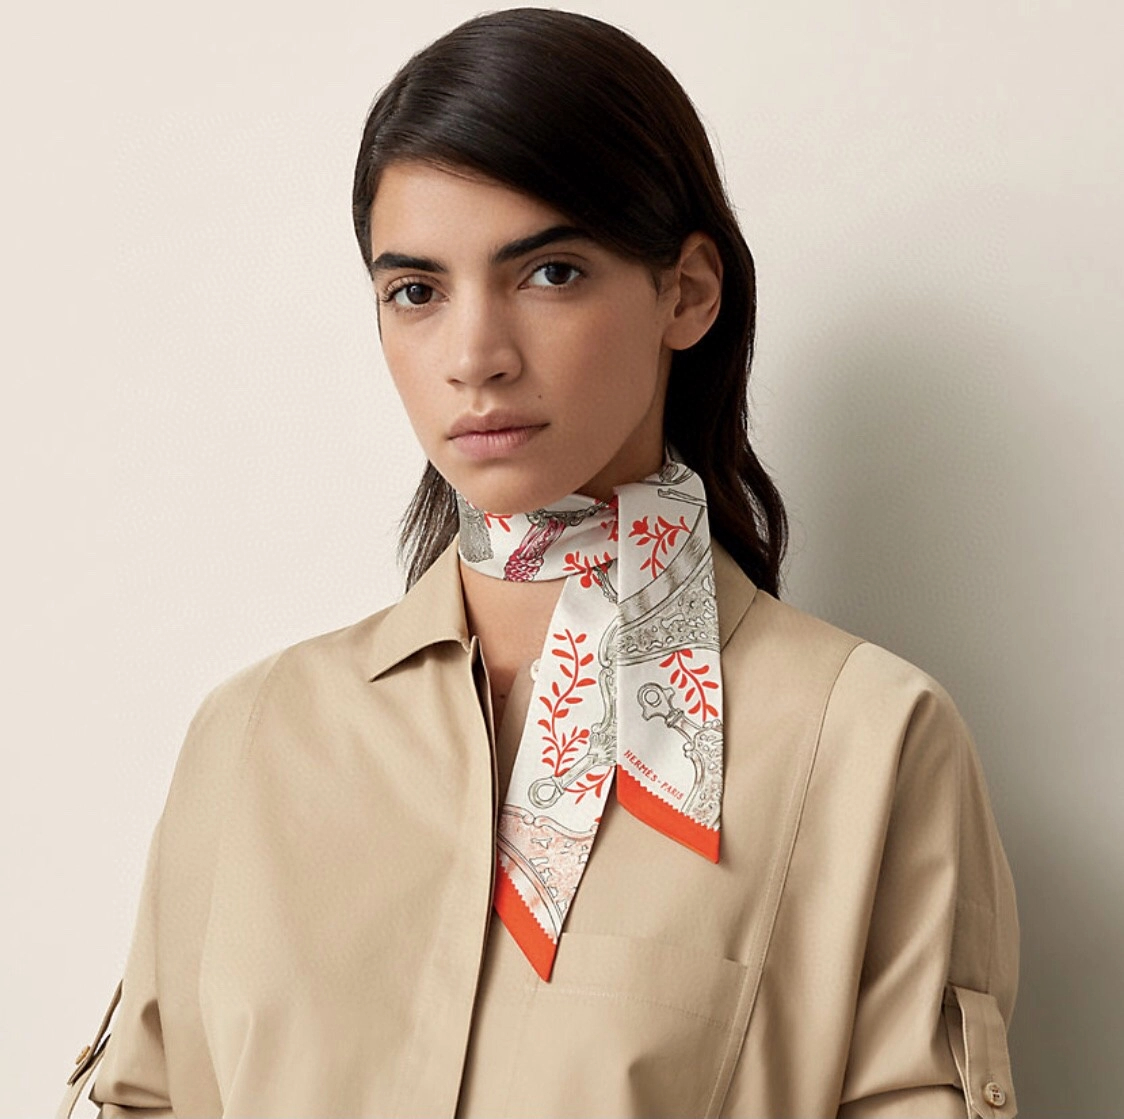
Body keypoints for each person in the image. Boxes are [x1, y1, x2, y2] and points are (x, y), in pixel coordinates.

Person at [58, 9, 1019, 1118]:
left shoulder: (867, 743)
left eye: (549, 272)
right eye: (416, 291)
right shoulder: (251, 738)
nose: (474, 358)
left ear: (687, 292)